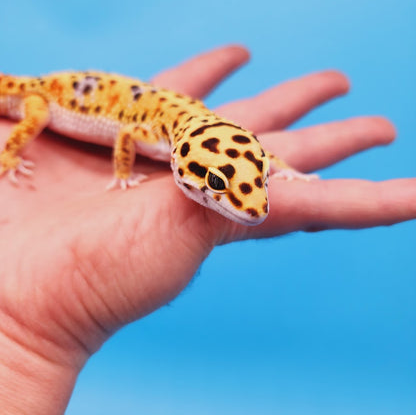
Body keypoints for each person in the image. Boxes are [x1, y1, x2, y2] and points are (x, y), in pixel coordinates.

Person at [0, 45, 413, 414]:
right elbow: (127, 132)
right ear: (179, 161)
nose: (251, 209)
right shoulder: (156, 138)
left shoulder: (215, 137)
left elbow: (253, 151)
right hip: (44, 94)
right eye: (217, 186)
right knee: (32, 118)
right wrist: (122, 175)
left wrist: (280, 168)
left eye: (256, 182)